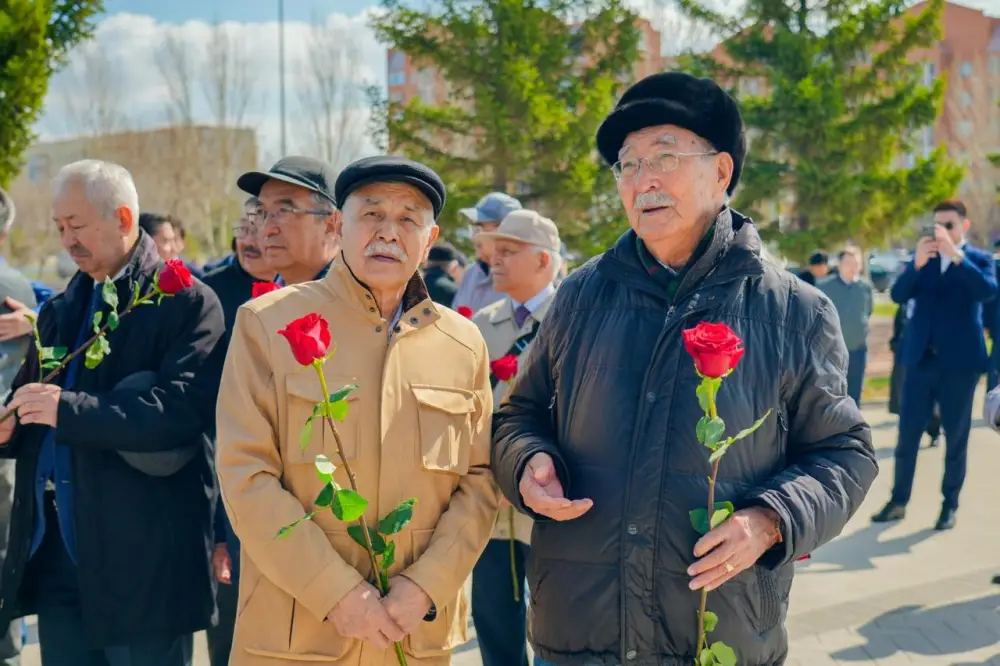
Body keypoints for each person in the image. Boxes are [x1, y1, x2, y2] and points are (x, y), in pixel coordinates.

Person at [491, 71, 877, 666]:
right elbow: (518, 413)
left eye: (665, 156)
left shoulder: (795, 312)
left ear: (721, 173)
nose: (643, 179)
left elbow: (846, 453)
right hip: (579, 633)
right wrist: (527, 462)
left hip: (719, 633)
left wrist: (770, 520)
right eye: (628, 164)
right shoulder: (580, 297)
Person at [216, 155, 499, 665]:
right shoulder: (267, 324)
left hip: (414, 638)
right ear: (337, 226)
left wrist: (424, 587)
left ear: (429, 240)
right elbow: (245, 474)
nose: (389, 233)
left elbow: (478, 482)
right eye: (371, 215)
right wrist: (337, 594)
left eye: (408, 219)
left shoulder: (463, 344)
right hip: (297, 636)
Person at [0, 159, 225, 666]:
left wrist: (68, 409)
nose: (65, 240)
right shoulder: (61, 308)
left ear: (123, 219)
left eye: (76, 226)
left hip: (142, 554)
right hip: (59, 547)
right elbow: (33, 398)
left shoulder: (186, 301)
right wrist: (9, 428)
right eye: (59, 227)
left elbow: (180, 408)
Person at [469, 209, 561, 666]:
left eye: (508, 252)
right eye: (491, 252)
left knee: (554, 625)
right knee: (493, 620)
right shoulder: (479, 325)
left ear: (543, 261)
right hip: (488, 503)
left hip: (546, 502)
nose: (494, 261)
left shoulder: (573, 319)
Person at [872, 200, 997, 530]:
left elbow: (987, 292)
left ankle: (949, 505)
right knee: (907, 435)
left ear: (964, 227)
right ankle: (899, 501)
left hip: (960, 365)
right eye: (937, 226)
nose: (941, 232)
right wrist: (916, 262)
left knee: (956, 437)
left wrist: (956, 256)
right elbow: (898, 295)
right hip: (919, 361)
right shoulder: (922, 261)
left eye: (949, 226)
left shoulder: (979, 260)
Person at [201, 197, 276, 666]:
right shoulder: (209, 296)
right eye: (242, 229)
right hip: (228, 488)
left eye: (261, 226)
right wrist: (218, 532)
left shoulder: (315, 294)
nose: (249, 239)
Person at [237, 156, 340, 286]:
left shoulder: (356, 301)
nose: (267, 230)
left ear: (331, 225)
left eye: (284, 211)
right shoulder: (265, 300)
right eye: (261, 212)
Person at [818, 247, 873, 406]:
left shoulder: (865, 287)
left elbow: (867, 311)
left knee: (855, 391)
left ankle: (852, 426)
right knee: (832, 391)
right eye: (848, 262)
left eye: (856, 262)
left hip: (858, 348)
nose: (853, 266)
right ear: (840, 264)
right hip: (832, 349)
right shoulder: (825, 287)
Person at [452, 192, 521, 313]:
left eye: (479, 228)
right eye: (473, 229)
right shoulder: (471, 274)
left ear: (504, 230)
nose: (474, 236)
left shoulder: (524, 278)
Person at [888, 300, 940, 447]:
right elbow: (897, 329)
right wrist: (896, 345)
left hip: (928, 357)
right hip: (906, 358)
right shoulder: (904, 305)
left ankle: (934, 432)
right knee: (905, 399)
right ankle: (909, 437)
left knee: (931, 400)